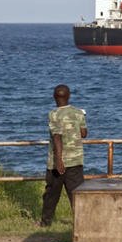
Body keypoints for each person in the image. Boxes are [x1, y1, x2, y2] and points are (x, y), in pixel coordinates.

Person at [40, 84, 87, 227]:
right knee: (76, 195)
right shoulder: (78, 113)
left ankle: (46, 223)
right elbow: (84, 133)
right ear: (69, 96)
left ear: (55, 97)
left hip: (57, 162)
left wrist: (59, 160)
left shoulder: (54, 115)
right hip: (76, 160)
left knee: (51, 195)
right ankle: (82, 223)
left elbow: (57, 136)